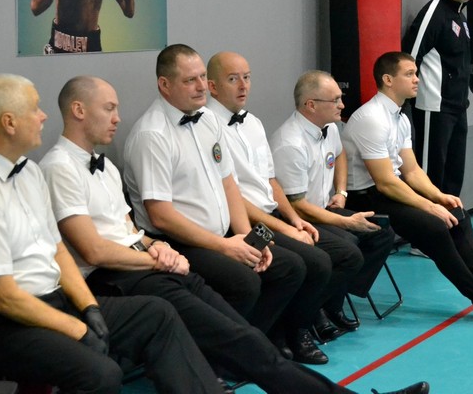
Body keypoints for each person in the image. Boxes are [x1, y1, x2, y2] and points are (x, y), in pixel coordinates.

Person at [40, 76, 429, 394]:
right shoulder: (65, 165)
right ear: (78, 110)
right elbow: (98, 248)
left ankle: (274, 351)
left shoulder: (108, 164)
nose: (117, 118)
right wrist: (159, 253)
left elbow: (133, 229)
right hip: (133, 271)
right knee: (246, 328)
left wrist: (246, 239)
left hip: (173, 255)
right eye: (109, 108)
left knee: (256, 328)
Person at [0, 74, 225, 394]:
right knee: (101, 374)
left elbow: (58, 249)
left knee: (156, 314)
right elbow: (4, 299)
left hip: (52, 299)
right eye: (35, 109)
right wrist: (78, 329)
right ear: (9, 122)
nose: (44, 116)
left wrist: (89, 308)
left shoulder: (29, 171)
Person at [122, 44, 305, 346]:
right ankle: (225, 353)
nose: (201, 86)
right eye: (189, 80)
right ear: (164, 84)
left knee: (290, 268)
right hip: (180, 242)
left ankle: (250, 347)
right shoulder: (152, 135)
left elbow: (228, 183)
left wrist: (248, 238)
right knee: (243, 283)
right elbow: (161, 216)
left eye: (202, 77)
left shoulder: (207, 117)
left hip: (224, 235)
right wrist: (225, 247)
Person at [341, 52, 473, 323]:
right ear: (388, 79)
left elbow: (411, 171)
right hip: (365, 197)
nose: (417, 79)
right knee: (434, 226)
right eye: (409, 74)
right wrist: (429, 206)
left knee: (457, 213)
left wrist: (439, 196)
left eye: (416, 73)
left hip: (388, 191)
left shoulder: (400, 117)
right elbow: (385, 182)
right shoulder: (371, 118)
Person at [206, 52, 365, 358]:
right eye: (233, 79)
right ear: (212, 86)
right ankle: (286, 332)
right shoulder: (208, 129)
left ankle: (303, 321)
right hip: (244, 223)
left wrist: (294, 219)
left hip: (272, 213)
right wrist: (285, 228)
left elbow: (271, 181)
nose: (243, 85)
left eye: (247, 77)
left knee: (345, 252)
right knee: (311, 263)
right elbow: (232, 196)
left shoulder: (252, 122)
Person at [269, 70, 397, 310]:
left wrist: (341, 191)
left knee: (381, 233)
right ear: (311, 105)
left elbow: (340, 154)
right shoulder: (290, 144)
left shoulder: (329, 127)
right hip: (300, 218)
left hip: (322, 209)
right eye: (335, 100)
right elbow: (297, 206)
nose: (342, 105)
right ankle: (317, 308)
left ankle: (334, 296)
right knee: (349, 246)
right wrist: (346, 222)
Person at [401, 0, 472, 198]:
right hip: (434, 106)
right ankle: (430, 219)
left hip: (458, 106)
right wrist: (404, 100)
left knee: (454, 171)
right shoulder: (434, 11)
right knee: (431, 172)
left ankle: (452, 218)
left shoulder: (460, 17)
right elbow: (411, 56)